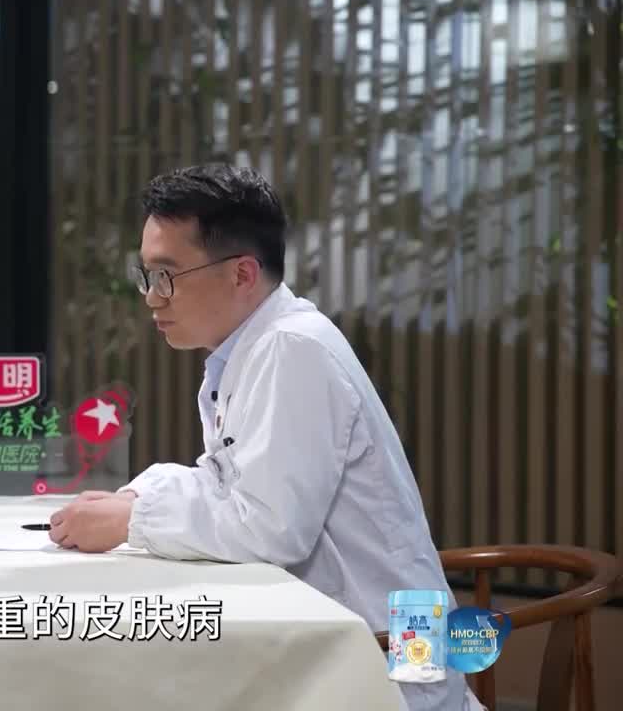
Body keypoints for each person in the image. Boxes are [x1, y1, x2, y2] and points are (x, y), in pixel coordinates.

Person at [46, 164, 483, 711]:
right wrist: (137, 497)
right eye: (147, 275)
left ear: (242, 274)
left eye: (167, 276)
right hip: (351, 641)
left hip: (386, 664)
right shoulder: (253, 348)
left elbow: (273, 529)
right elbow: (227, 481)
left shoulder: (291, 349)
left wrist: (132, 519)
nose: (153, 297)